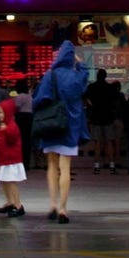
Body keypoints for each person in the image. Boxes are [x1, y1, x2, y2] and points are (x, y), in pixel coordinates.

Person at [32, 39, 90, 222]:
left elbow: (40, 99)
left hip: (51, 125)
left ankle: (52, 205)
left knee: (51, 166)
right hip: (70, 127)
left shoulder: (51, 75)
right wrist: (81, 64)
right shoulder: (75, 75)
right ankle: (64, 209)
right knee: (65, 168)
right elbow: (85, 78)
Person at [0, 98, 26, 216]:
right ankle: (10, 202)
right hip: (5, 159)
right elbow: (0, 137)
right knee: (4, 181)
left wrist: (5, 131)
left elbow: (12, 138)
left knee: (11, 182)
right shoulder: (5, 125)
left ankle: (18, 205)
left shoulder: (11, 126)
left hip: (11, 160)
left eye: (1, 112)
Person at [86, 68, 121, 173]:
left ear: (97, 76)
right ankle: (112, 166)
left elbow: (86, 99)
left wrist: (92, 106)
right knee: (109, 142)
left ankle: (96, 166)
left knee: (97, 143)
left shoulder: (91, 87)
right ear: (105, 76)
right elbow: (115, 102)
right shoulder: (110, 88)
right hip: (108, 118)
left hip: (95, 118)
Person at [12, 78, 34, 168]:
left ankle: (20, 161)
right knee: (27, 140)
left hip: (21, 118)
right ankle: (27, 162)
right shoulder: (30, 96)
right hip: (29, 117)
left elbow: (16, 107)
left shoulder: (19, 97)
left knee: (20, 140)